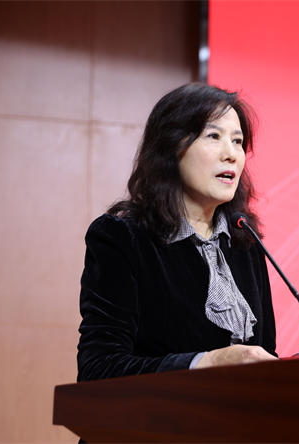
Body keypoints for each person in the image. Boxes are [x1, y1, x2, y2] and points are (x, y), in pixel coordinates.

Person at [77, 83, 278, 383]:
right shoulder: (122, 239)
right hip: (156, 414)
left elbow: (267, 355)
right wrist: (208, 362)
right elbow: (98, 370)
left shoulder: (245, 242)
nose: (232, 155)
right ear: (171, 146)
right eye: (214, 136)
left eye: (237, 141)